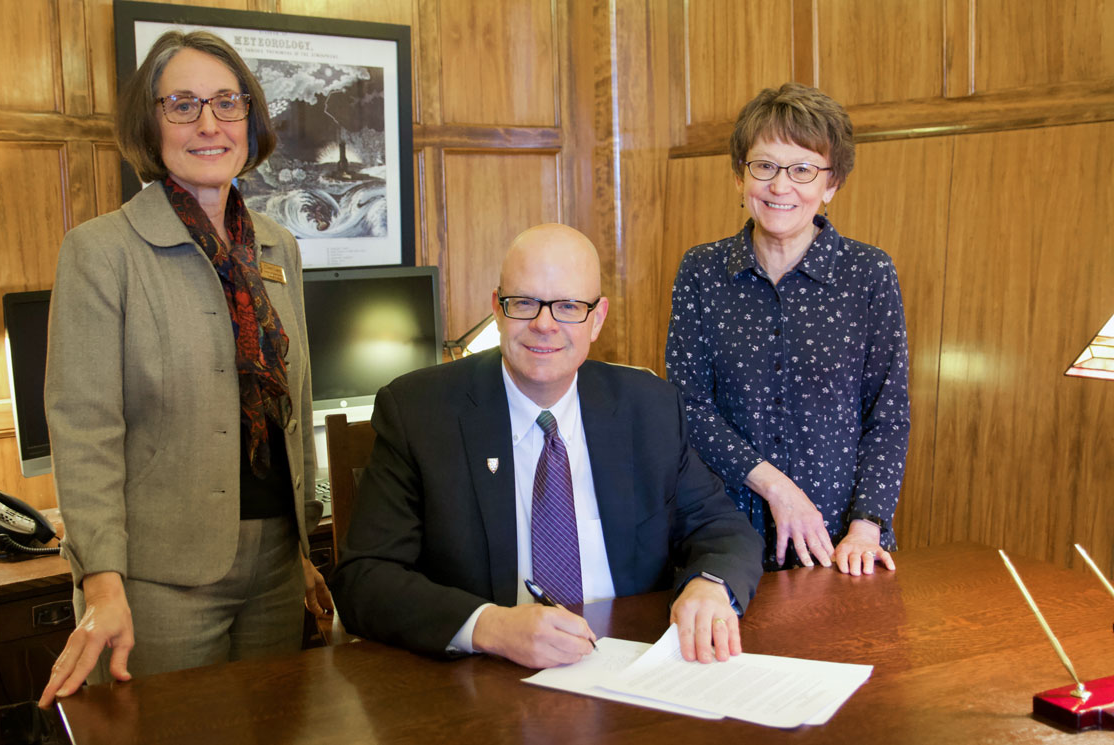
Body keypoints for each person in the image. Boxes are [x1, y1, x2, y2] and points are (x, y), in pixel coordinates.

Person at [38, 31, 333, 707]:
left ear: (250, 119)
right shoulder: (100, 251)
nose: (210, 124)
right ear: (151, 122)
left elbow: (297, 398)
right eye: (184, 105)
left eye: (227, 103)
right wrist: (101, 584)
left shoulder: (276, 243)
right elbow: (85, 431)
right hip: (160, 580)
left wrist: (302, 550)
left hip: (276, 566)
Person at [330, 224, 764, 669]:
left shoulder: (647, 407)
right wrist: (488, 626)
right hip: (481, 677)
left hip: (631, 666)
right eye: (523, 303)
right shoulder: (419, 412)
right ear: (496, 309)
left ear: (597, 319)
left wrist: (710, 585)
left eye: (569, 306)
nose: (544, 324)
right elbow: (365, 579)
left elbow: (724, 531)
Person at [666, 82, 910, 577]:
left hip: (838, 540)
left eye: (803, 169)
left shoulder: (868, 273)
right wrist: (777, 487)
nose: (781, 187)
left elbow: (888, 414)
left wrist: (865, 526)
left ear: (832, 183)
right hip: (722, 531)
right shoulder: (702, 270)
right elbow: (686, 405)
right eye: (765, 167)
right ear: (740, 176)